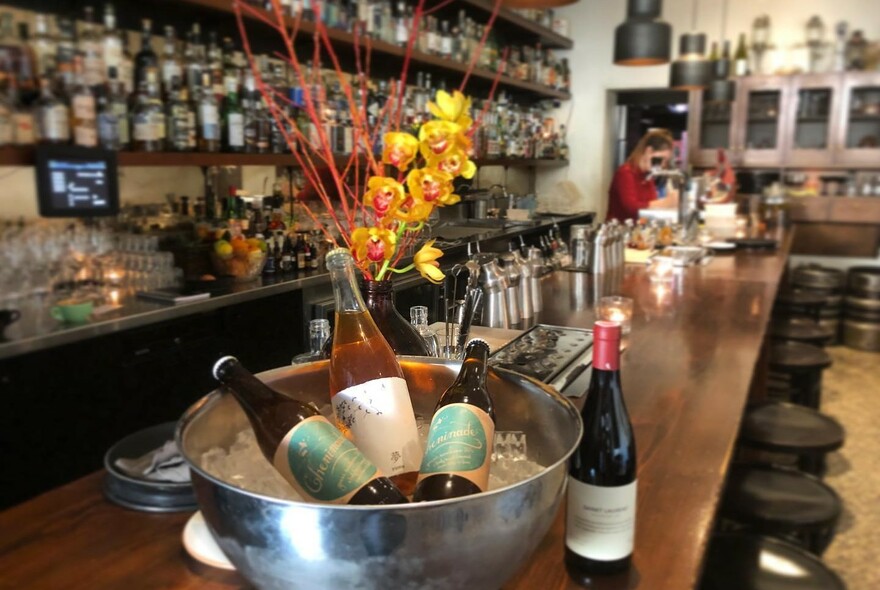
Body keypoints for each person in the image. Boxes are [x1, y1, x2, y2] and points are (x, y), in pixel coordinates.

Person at [607, 129, 679, 222]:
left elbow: (651, 206)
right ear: (649, 151)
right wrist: (666, 202)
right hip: (620, 231)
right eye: (662, 159)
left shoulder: (647, 176)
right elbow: (631, 209)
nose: (663, 165)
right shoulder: (625, 173)